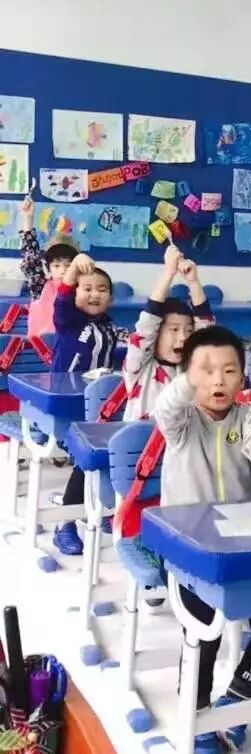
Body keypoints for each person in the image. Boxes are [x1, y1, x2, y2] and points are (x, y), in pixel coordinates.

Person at [153, 325, 251, 754]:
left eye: (230, 370)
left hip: (243, 543)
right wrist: (188, 380)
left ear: (243, 377)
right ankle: (195, 714)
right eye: (207, 370)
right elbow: (165, 407)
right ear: (188, 375)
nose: (218, 380)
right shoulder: (182, 422)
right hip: (189, 547)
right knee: (203, 630)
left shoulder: (247, 416)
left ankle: (238, 698)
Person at [52, 253, 122, 555]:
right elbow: (61, 299)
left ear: (111, 298)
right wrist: (72, 271)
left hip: (97, 409)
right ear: (76, 293)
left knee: (111, 452)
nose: (95, 294)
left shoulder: (109, 327)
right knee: (86, 460)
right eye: (87, 288)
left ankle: (98, 507)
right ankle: (64, 524)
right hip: (67, 408)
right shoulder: (69, 321)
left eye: (102, 289)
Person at [122, 244, 213, 421]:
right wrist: (168, 272)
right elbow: (148, 323)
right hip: (141, 438)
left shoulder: (191, 369)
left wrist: (193, 282)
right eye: (174, 329)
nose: (183, 337)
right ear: (156, 334)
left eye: (189, 330)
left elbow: (206, 330)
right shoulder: (139, 366)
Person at [17, 193, 78, 338]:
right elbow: (30, 253)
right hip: (40, 346)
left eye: (68, 265)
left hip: (68, 346)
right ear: (49, 266)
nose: (63, 270)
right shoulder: (40, 284)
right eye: (57, 265)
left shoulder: (81, 288)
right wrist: (28, 219)